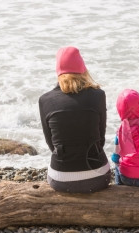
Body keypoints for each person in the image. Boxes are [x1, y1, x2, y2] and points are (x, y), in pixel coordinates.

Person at [38, 46, 111, 193]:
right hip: (97, 176)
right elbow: (100, 140)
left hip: (61, 179)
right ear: (82, 69)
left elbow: (51, 144)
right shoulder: (98, 95)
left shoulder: (45, 100)